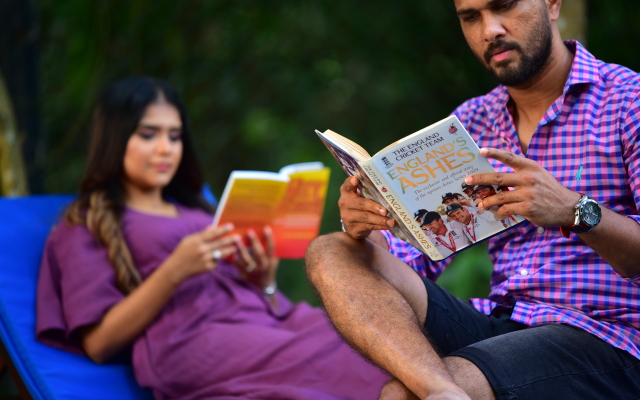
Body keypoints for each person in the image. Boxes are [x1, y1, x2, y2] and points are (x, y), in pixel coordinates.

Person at [305, 0, 640, 399]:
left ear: (552, 4)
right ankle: (440, 391)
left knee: (400, 395)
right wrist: (370, 224)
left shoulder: (627, 101)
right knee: (332, 250)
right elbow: (415, 255)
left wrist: (574, 210)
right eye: (471, 17)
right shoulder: (471, 122)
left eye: (504, 7)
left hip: (607, 336)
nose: (490, 30)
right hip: (502, 322)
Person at [35, 76, 388, 400]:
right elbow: (98, 343)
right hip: (199, 342)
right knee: (345, 355)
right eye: (148, 134)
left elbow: (266, 302)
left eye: (174, 136)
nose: (165, 149)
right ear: (114, 138)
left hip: (271, 323)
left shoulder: (199, 210)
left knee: (365, 332)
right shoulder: (89, 222)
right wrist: (174, 270)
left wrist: (262, 281)